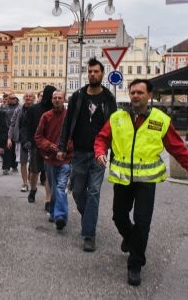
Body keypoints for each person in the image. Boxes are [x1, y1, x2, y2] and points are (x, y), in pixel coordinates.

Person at [94, 78, 188, 286]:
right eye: (133, 92)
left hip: (146, 181)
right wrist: (100, 152)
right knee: (119, 216)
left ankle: (135, 264)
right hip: (123, 179)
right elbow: (102, 138)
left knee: (143, 222)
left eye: (140, 92)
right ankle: (130, 239)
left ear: (150, 96)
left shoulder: (161, 120)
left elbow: (179, 150)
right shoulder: (118, 117)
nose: (135, 96)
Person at [57, 58, 117, 252]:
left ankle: (89, 235)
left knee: (94, 192)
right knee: (78, 191)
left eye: (96, 71)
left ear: (102, 73)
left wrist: (114, 153)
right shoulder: (78, 97)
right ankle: (88, 218)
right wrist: (62, 147)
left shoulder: (108, 98)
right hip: (79, 153)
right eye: (90, 71)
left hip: (99, 154)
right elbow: (67, 124)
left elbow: (115, 127)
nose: (92, 74)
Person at [35, 91, 73, 230]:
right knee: (54, 186)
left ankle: (60, 216)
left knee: (60, 187)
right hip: (50, 159)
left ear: (64, 99)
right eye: (55, 98)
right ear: (51, 100)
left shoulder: (70, 116)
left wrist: (65, 147)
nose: (57, 100)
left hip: (65, 159)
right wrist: (50, 146)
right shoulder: (46, 116)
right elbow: (38, 137)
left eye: (59, 98)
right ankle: (53, 212)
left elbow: (74, 136)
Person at [25, 86, 56, 207]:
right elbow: (27, 127)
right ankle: (33, 189)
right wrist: (27, 141)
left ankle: (48, 199)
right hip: (36, 145)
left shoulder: (55, 110)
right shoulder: (33, 109)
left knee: (48, 173)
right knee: (34, 171)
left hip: (51, 146)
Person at [8, 91, 35, 192]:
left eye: (30, 96)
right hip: (21, 139)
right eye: (26, 96)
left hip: (34, 140)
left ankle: (30, 179)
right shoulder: (19, 110)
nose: (28, 98)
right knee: (23, 162)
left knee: (33, 163)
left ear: (33, 98)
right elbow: (12, 124)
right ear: (24, 98)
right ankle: (25, 183)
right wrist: (9, 138)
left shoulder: (37, 109)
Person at [1, 93, 19, 175]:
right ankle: (6, 167)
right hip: (7, 131)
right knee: (7, 150)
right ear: (8, 99)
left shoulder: (19, 107)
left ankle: (14, 165)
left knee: (15, 149)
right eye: (11, 98)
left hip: (16, 131)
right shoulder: (4, 108)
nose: (13, 99)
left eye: (14, 98)